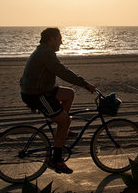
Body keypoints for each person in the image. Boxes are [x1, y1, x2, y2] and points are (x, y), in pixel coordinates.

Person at [20, 28, 96, 174]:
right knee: (65, 121)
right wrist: (85, 84)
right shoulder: (46, 53)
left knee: (69, 94)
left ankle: (62, 132)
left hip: (40, 90)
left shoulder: (44, 50)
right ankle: (56, 160)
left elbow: (61, 69)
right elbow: (62, 72)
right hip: (37, 94)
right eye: (59, 38)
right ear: (51, 39)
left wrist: (81, 83)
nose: (62, 41)